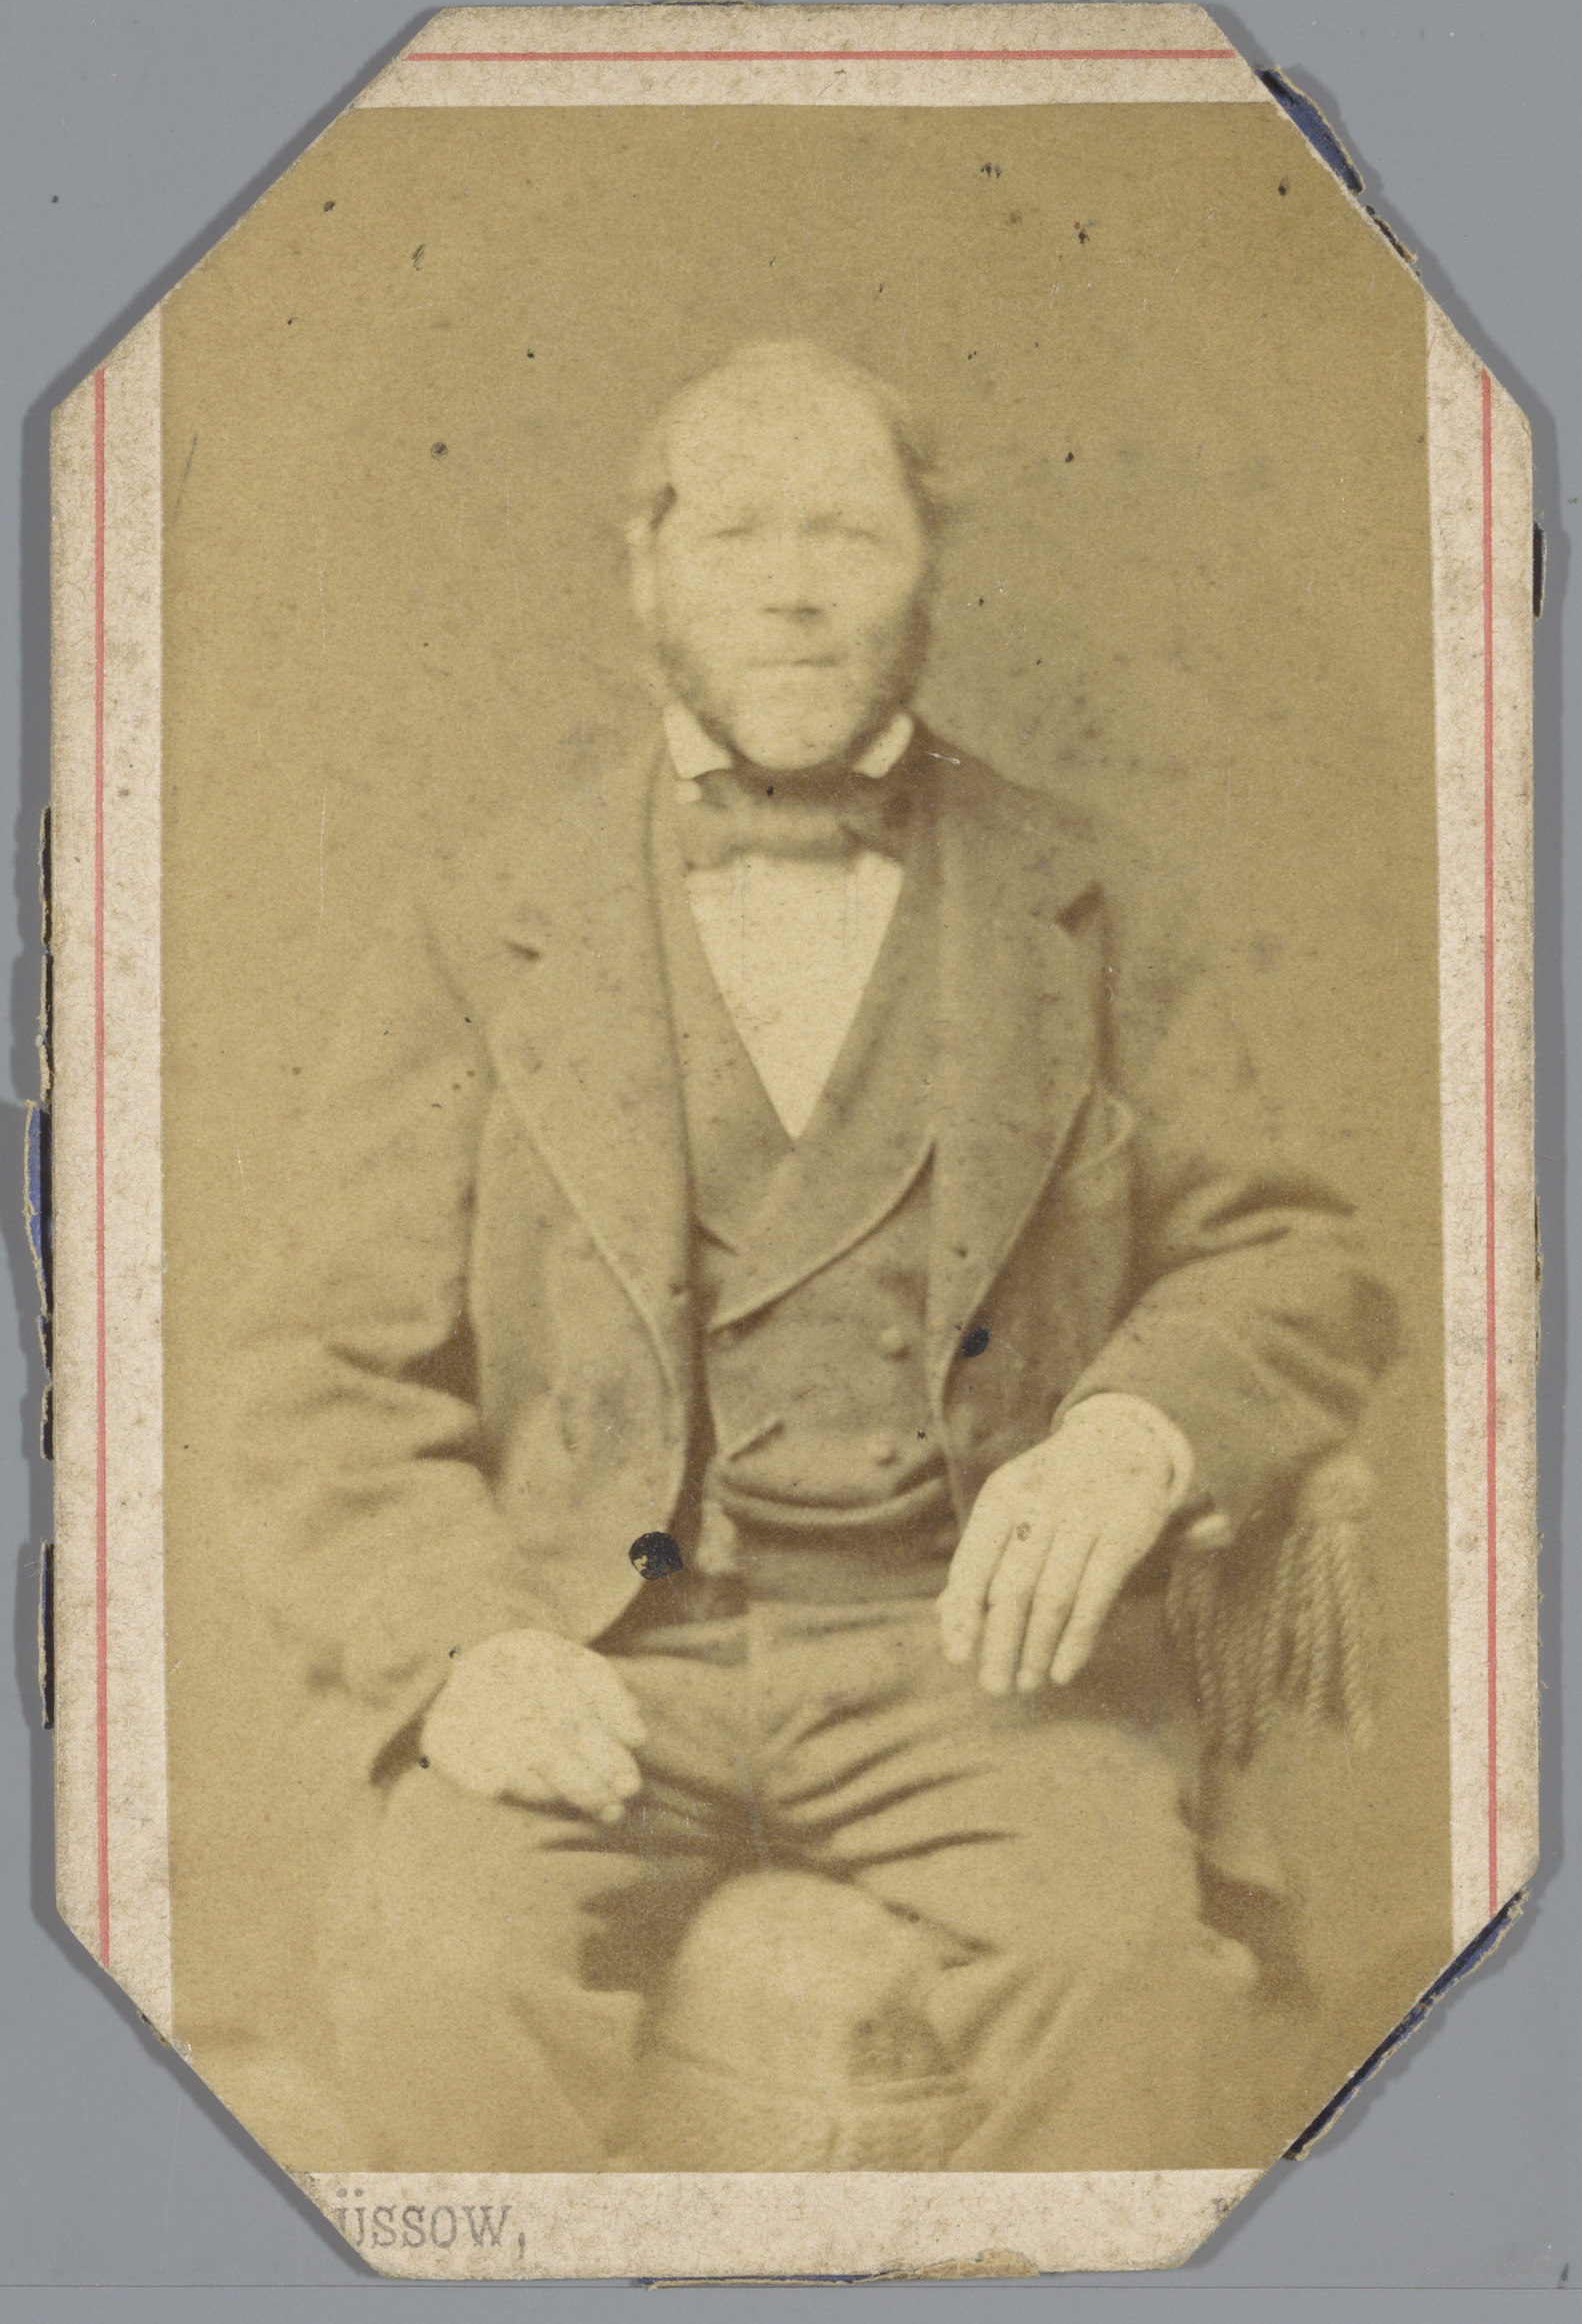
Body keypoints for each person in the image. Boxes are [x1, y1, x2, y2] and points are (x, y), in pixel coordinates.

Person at [237, 340, 1396, 2171]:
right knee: (442, 1981)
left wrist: (1133, 1434)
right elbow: (321, 1369)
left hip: (977, 1663)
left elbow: (1289, 1255)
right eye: (738, 534)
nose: (792, 587)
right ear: (647, 569)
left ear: (926, 565)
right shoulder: (483, 921)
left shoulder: (1084, 898)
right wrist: (461, 1646)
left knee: (1132, 1994)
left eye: (845, 533)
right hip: (596, 1644)